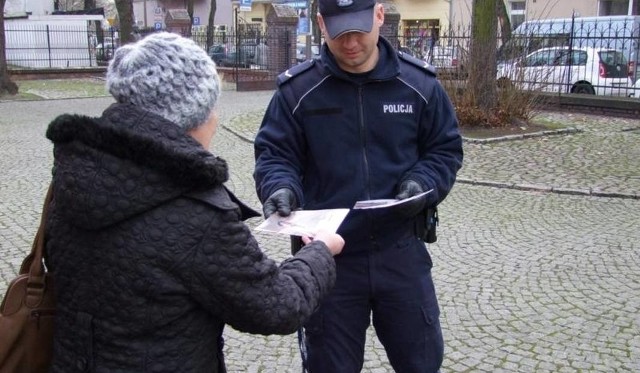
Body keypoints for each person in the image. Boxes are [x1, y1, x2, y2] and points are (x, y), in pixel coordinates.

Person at [44, 32, 344, 373]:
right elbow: (278, 306)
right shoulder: (197, 213)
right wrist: (320, 251)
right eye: (211, 106)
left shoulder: (76, 175)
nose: (215, 118)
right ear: (192, 116)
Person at [253, 0, 464, 371]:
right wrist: (280, 188)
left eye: (358, 31)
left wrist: (421, 182)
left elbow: (444, 149)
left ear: (379, 16)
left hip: (401, 251)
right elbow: (275, 156)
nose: (350, 43)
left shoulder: (419, 86)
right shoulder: (297, 92)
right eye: (339, 33)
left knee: (422, 363)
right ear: (321, 24)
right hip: (328, 259)